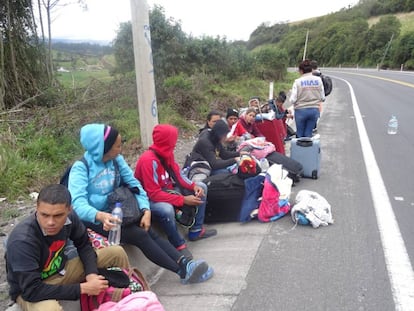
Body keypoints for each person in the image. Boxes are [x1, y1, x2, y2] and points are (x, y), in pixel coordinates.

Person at [68, 123, 213, 285]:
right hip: (96, 220)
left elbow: (135, 185)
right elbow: (77, 204)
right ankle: (182, 271)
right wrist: (100, 215)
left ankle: (184, 263)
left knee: (149, 230)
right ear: (103, 147)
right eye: (117, 146)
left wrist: (145, 210)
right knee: (140, 235)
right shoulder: (81, 168)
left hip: (120, 210)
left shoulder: (116, 160)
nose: (120, 149)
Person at [6, 184, 130, 311]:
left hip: (61, 271)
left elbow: (84, 246)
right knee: (50, 309)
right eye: (44, 215)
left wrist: (91, 274)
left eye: (58, 215)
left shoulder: (70, 219)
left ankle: (129, 301)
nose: (50, 222)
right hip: (31, 289)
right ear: (36, 208)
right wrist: (83, 288)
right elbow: (31, 291)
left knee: (116, 252)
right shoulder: (22, 241)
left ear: (69, 210)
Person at [134, 124, 217, 254]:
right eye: (173, 140)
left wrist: (193, 186)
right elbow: (153, 193)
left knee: (202, 187)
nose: (175, 142)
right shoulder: (148, 160)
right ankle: (178, 244)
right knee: (166, 210)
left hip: (168, 191)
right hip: (149, 199)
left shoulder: (167, 154)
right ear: (166, 141)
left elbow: (178, 175)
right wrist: (183, 200)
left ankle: (196, 229)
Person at [289, 59, 325, 137]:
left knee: (300, 134)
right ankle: (308, 147)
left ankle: (299, 148)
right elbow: (322, 97)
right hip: (314, 111)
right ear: (311, 69)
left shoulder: (297, 82)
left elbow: (293, 100)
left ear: (301, 71)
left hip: (300, 111)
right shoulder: (318, 80)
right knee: (308, 134)